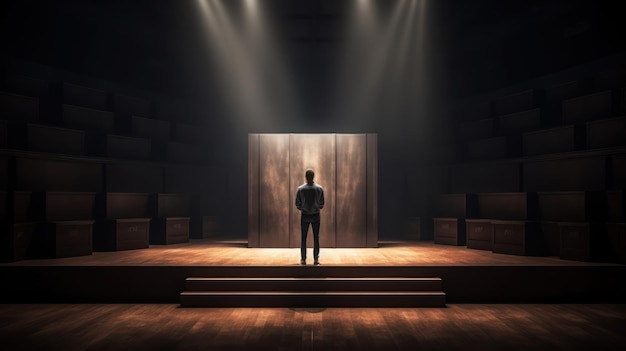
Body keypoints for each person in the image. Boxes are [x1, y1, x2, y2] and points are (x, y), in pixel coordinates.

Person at [295, 168, 324, 265]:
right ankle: (316, 259)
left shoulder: (300, 189)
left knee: (304, 237)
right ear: (313, 176)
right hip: (316, 215)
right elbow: (322, 204)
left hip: (305, 215)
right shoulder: (319, 188)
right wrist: (315, 208)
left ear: (306, 177)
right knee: (316, 237)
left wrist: (304, 208)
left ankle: (303, 259)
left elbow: (297, 204)